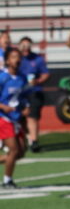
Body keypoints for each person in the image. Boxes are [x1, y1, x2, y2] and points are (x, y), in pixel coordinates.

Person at [0, 49, 29, 189]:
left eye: (18, 57)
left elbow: (22, 96)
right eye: (13, 57)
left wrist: (25, 106)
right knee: (13, 149)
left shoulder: (22, 78)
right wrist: (2, 107)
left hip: (15, 118)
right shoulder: (2, 77)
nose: (16, 60)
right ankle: (7, 181)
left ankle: (7, 176)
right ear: (7, 61)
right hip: (3, 118)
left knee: (21, 151)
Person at [18, 37, 49, 153]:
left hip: (34, 91)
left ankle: (34, 141)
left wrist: (38, 81)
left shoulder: (37, 59)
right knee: (19, 118)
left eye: (28, 45)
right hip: (19, 93)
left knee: (32, 116)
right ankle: (26, 139)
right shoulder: (16, 58)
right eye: (23, 45)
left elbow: (45, 74)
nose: (25, 47)